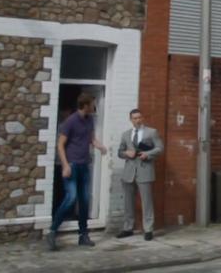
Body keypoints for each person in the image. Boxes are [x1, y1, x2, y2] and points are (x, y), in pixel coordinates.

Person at [47, 93, 107, 251]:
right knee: (71, 197)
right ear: (85, 105)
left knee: (85, 200)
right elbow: (60, 145)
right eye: (93, 103)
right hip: (72, 165)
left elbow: (91, 139)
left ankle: (83, 235)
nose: (95, 106)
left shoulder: (90, 120)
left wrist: (100, 146)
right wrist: (65, 165)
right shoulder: (70, 121)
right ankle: (52, 231)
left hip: (84, 165)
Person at [116, 108, 163, 241]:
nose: (137, 120)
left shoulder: (151, 132)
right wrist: (126, 153)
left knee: (146, 201)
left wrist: (147, 154)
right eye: (134, 118)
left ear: (142, 118)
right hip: (129, 171)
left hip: (145, 169)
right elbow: (119, 152)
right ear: (131, 120)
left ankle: (148, 229)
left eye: (139, 117)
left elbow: (160, 148)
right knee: (128, 202)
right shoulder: (126, 134)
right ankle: (128, 228)